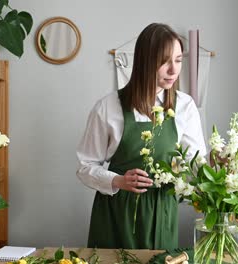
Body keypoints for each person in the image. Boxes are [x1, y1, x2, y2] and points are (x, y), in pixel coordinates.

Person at [76, 23, 206, 250]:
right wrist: (118, 181)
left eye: (178, 60)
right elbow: (85, 167)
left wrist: (219, 167)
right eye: (165, 61)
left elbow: (197, 164)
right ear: (145, 61)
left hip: (162, 212)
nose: (174, 70)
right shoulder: (109, 107)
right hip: (115, 214)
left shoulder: (185, 106)